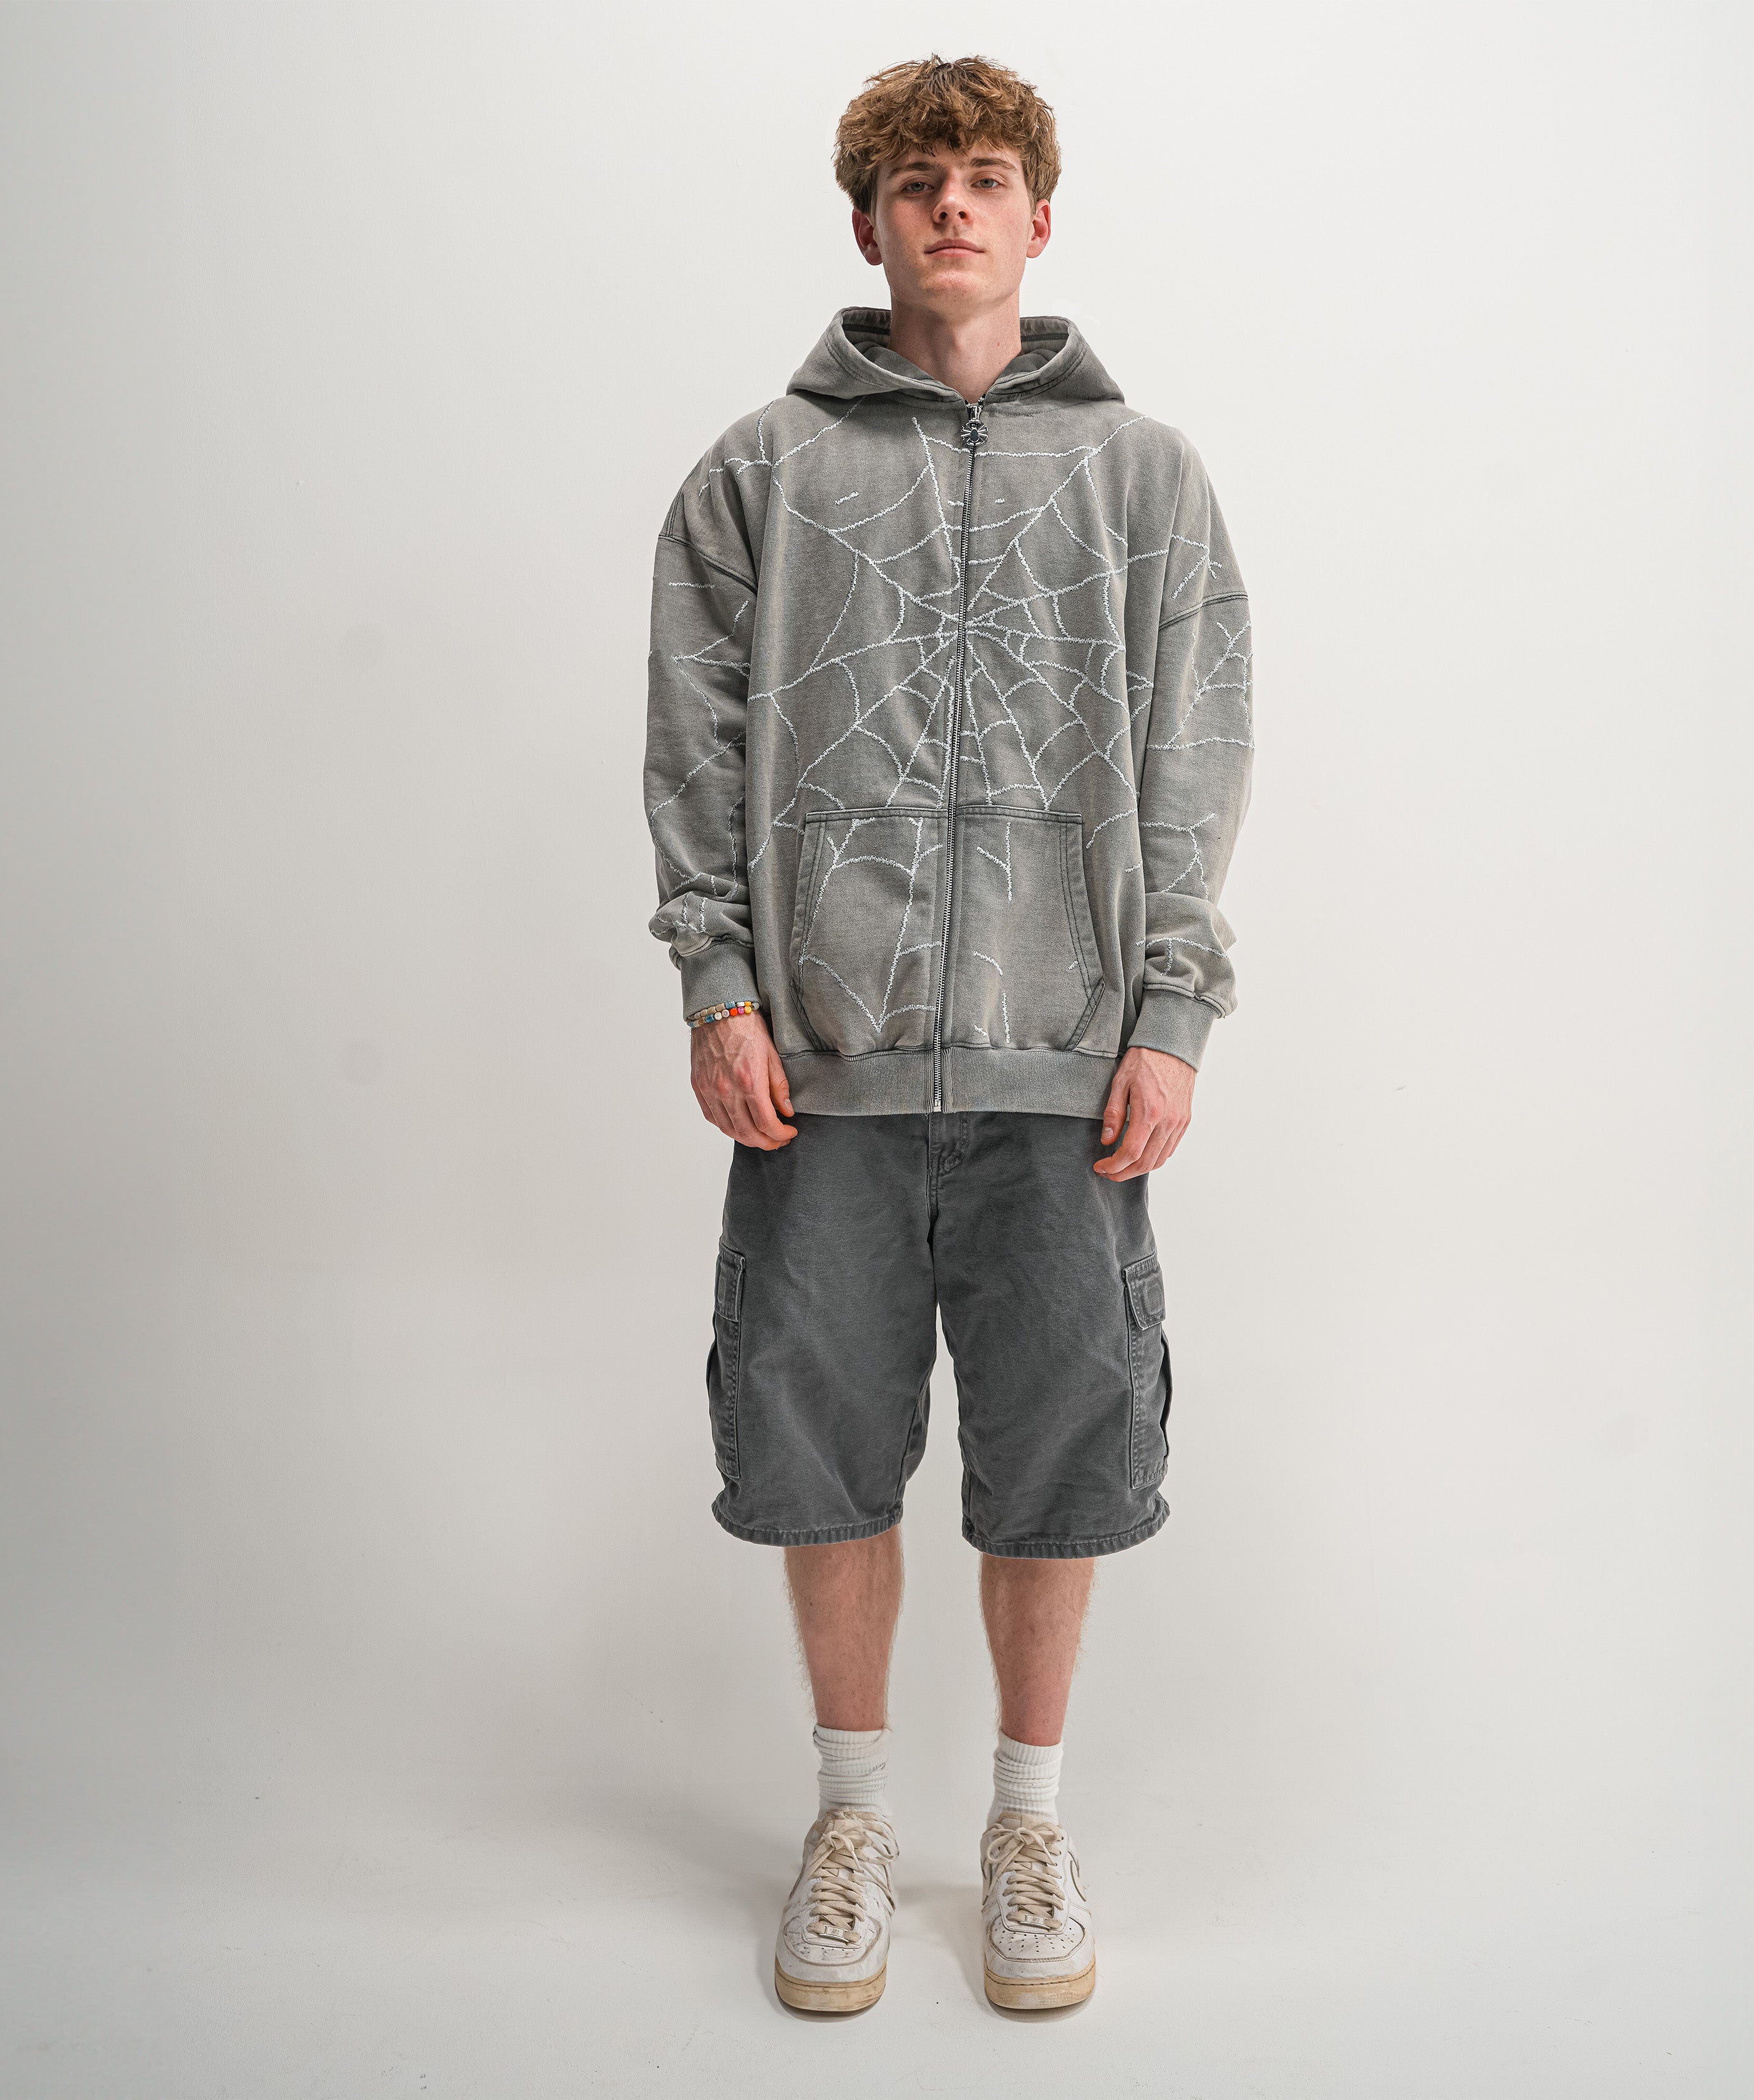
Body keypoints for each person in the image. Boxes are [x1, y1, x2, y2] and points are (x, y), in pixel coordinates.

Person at [642, 52, 1254, 2015]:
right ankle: (847, 1817)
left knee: (1059, 1452)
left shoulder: (1145, 478)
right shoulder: (758, 473)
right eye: (919, 181)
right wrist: (719, 985)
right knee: (818, 1449)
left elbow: (1195, 756)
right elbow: (694, 741)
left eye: (987, 176)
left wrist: (1172, 1012)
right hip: (820, 1068)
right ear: (869, 222)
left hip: (1067, 1061)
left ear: (1040, 217)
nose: (955, 207)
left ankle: (1026, 1821)